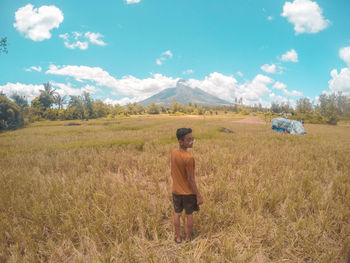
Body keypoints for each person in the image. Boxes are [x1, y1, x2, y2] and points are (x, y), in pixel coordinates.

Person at [171, 128, 203, 243]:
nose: (192, 141)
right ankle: (188, 238)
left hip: (175, 191)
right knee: (189, 214)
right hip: (188, 193)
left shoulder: (173, 152)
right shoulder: (189, 158)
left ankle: (178, 238)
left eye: (192, 139)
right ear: (181, 141)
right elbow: (191, 179)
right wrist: (198, 195)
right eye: (189, 139)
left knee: (177, 213)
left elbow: (172, 171)